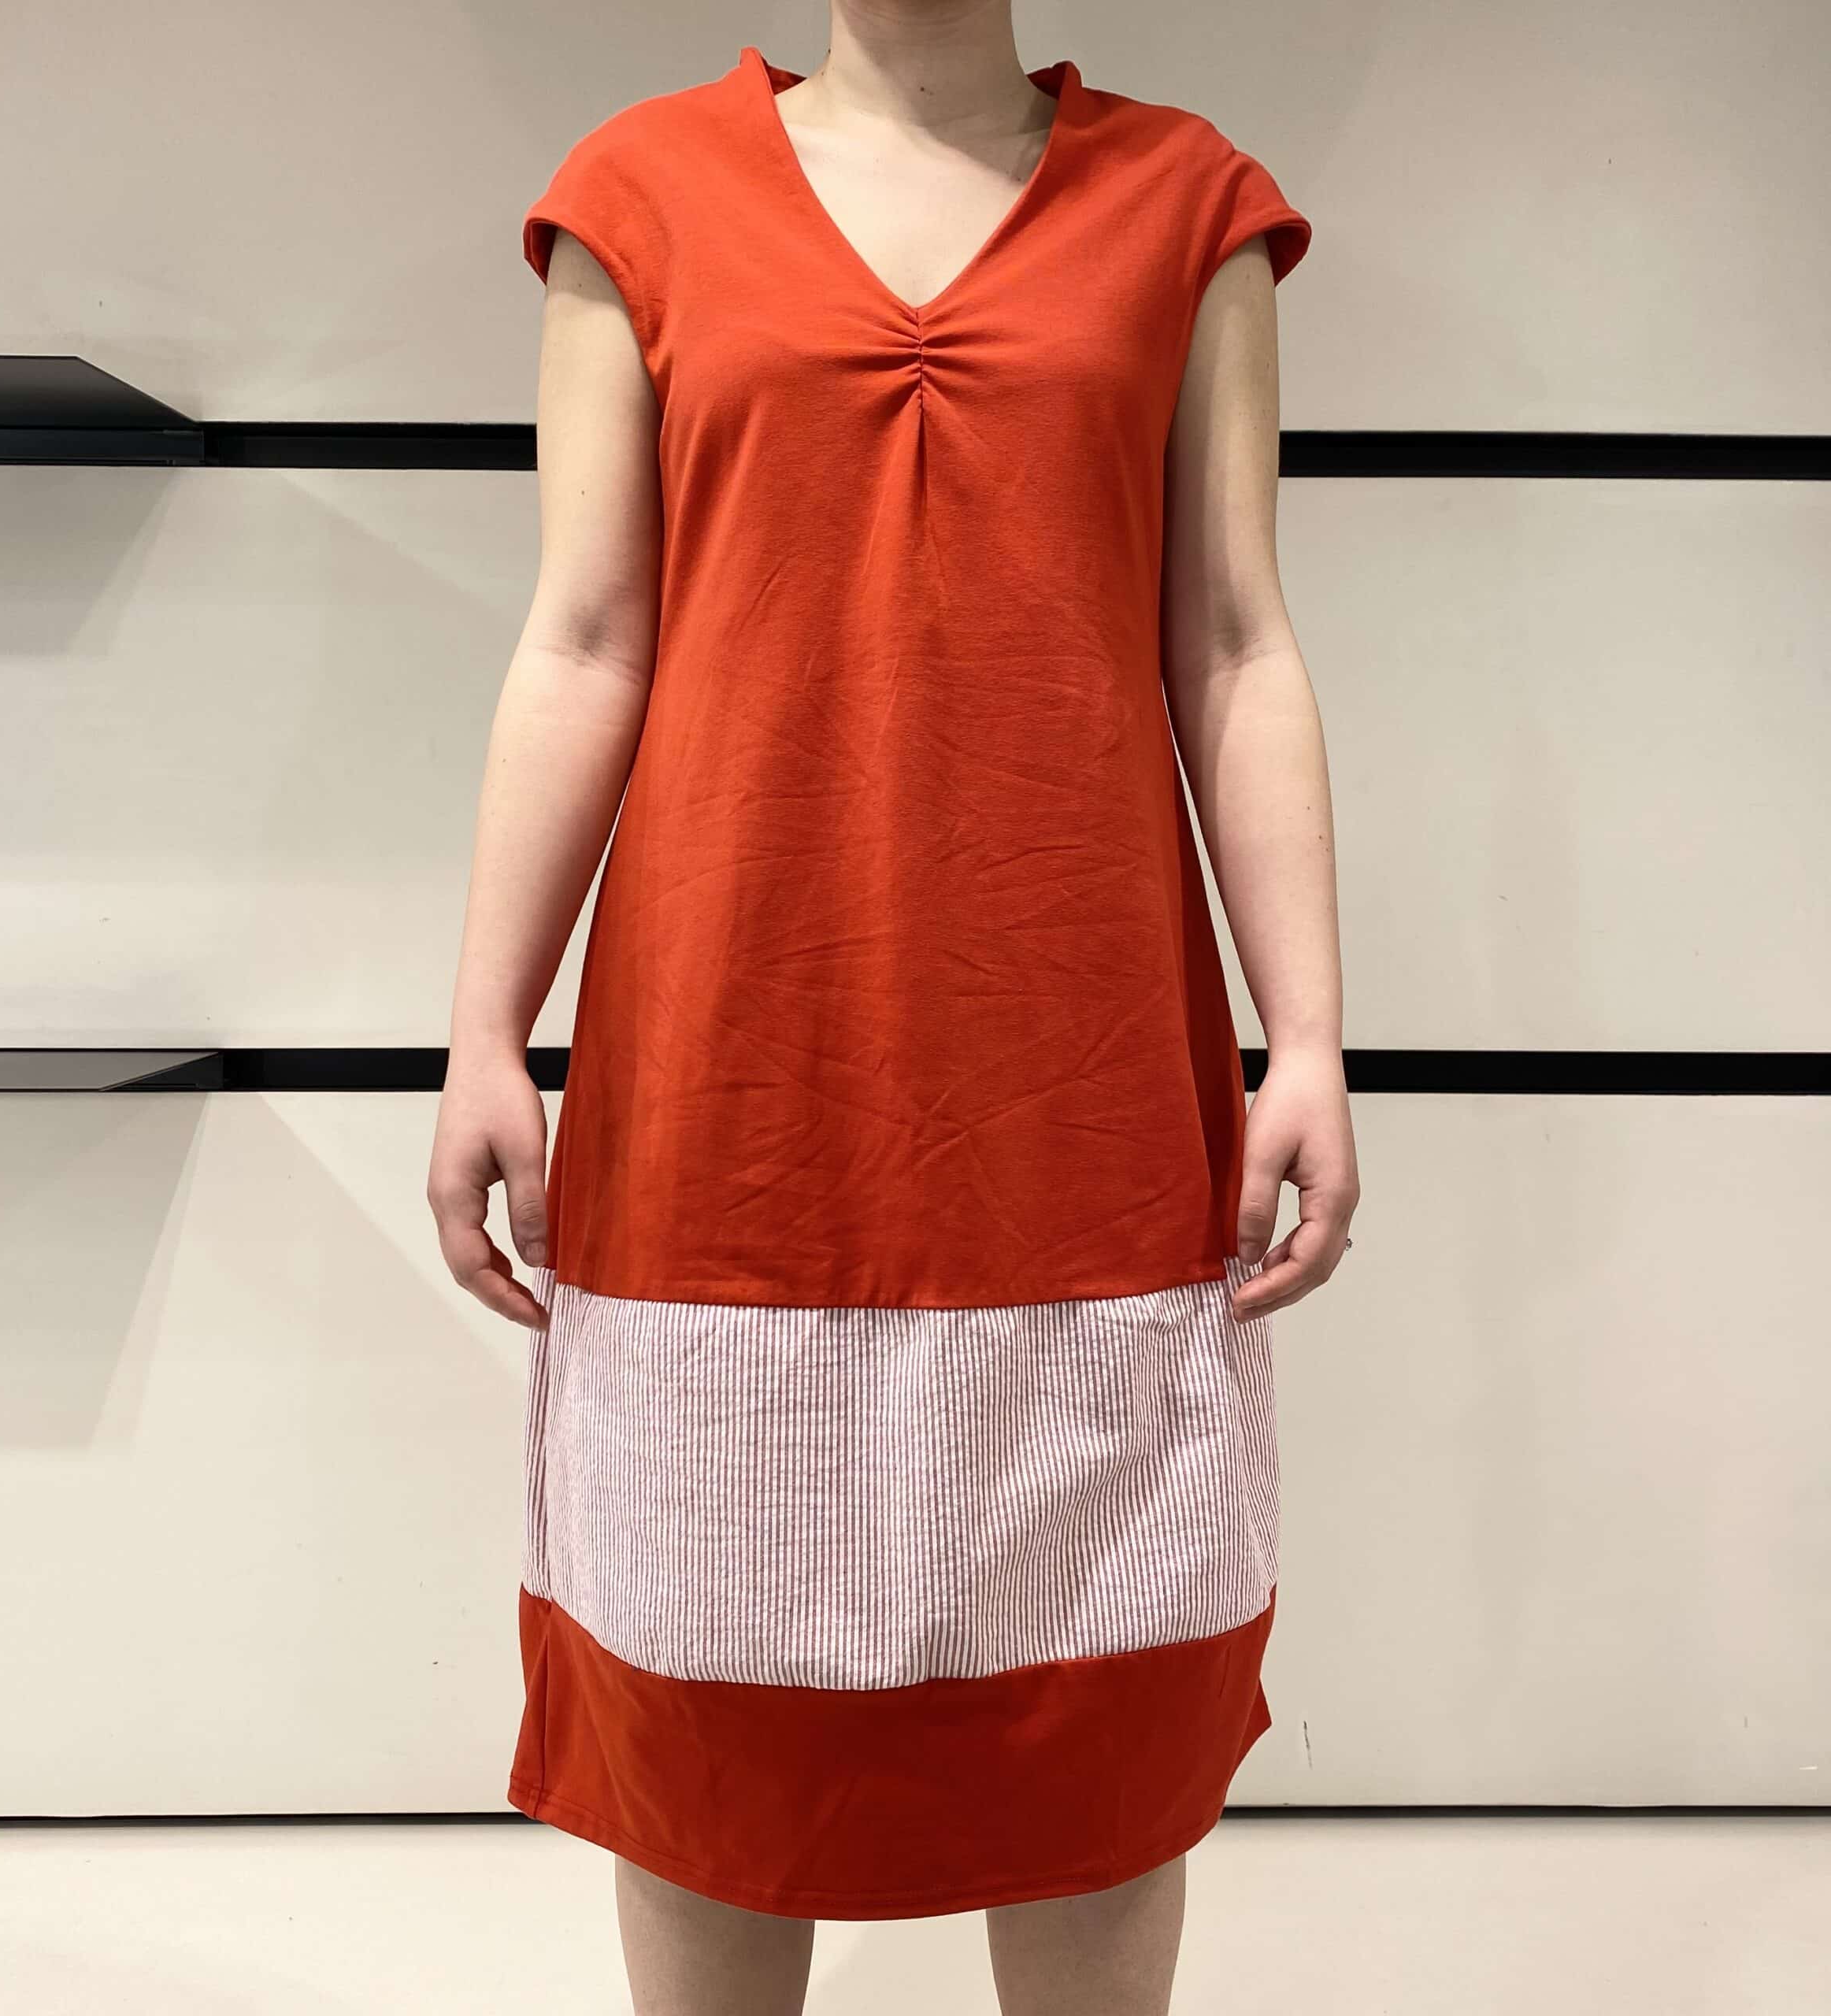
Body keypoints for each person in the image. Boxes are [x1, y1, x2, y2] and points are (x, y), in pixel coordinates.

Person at [428, 5, 1358, 2010]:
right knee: (709, 1710)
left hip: (1077, 1074)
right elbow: (583, 636)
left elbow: (1231, 637)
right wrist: (485, 1025)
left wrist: (1305, 1034)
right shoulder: (638, 196)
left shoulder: (1184, 204)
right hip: (725, 1072)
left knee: (1094, 1714)